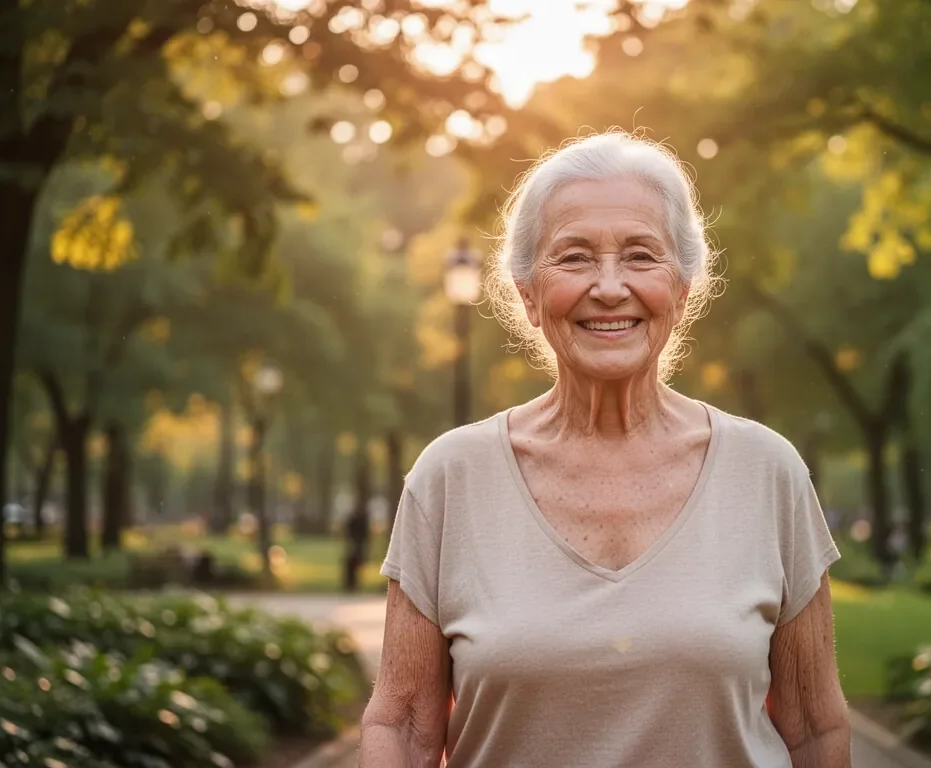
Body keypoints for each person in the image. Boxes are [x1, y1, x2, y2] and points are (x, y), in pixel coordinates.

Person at [360, 132, 850, 767]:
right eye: (574, 258)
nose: (610, 287)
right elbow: (402, 726)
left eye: (642, 256)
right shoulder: (451, 478)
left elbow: (815, 727)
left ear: (683, 288)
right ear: (528, 294)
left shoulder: (768, 473)